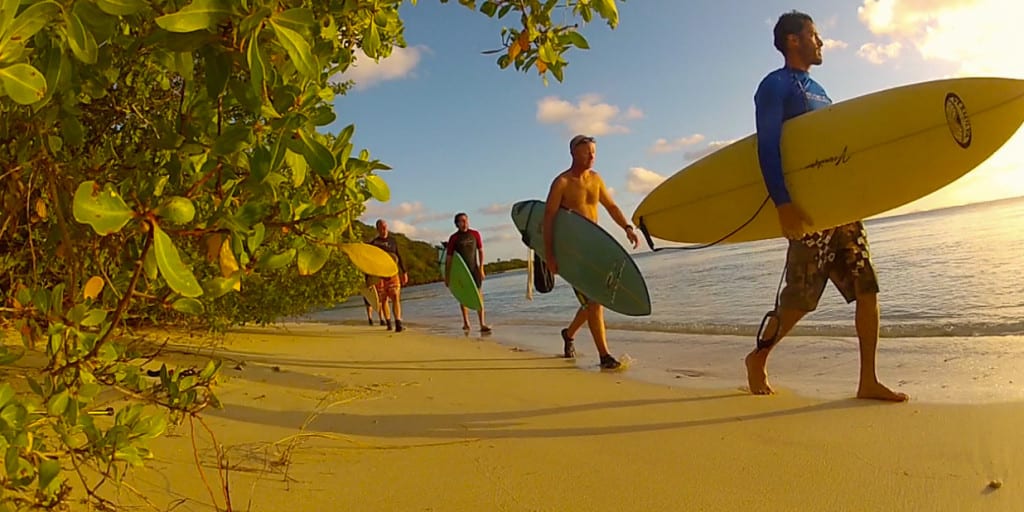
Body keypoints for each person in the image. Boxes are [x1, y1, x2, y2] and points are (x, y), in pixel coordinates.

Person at [745, 10, 907, 401]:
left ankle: (867, 379)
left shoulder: (820, 89)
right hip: (809, 211)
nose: (821, 42)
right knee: (801, 300)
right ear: (793, 40)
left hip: (843, 211)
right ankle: (758, 358)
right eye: (814, 35)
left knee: (867, 287)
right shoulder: (775, 86)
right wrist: (783, 203)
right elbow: (768, 146)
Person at [543, 134, 639, 370]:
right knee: (595, 302)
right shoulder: (562, 183)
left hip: (595, 250)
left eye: (594, 152)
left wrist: (626, 226)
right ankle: (604, 356)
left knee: (595, 301)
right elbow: (548, 219)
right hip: (573, 253)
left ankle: (569, 333)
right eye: (587, 152)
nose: (592, 156)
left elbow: (611, 206)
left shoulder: (596, 179)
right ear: (574, 153)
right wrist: (550, 256)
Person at [444, 213, 492, 333]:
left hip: (474, 269)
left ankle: (482, 324)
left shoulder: (475, 234)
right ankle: (466, 323)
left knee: (478, 296)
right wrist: (447, 275)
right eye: (461, 221)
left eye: (465, 220)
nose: (464, 223)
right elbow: (449, 258)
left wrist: (481, 268)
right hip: (461, 272)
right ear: (457, 224)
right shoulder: (454, 238)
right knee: (463, 297)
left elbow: (480, 251)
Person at [369, 219, 408, 332]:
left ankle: (398, 322)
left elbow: (398, 256)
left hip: (393, 273)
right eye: (381, 227)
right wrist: (369, 278)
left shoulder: (392, 241)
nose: (384, 229)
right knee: (384, 299)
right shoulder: (374, 243)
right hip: (380, 275)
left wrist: (404, 272)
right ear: (378, 229)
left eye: (385, 226)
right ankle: (388, 322)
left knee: (395, 296)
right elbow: (369, 261)